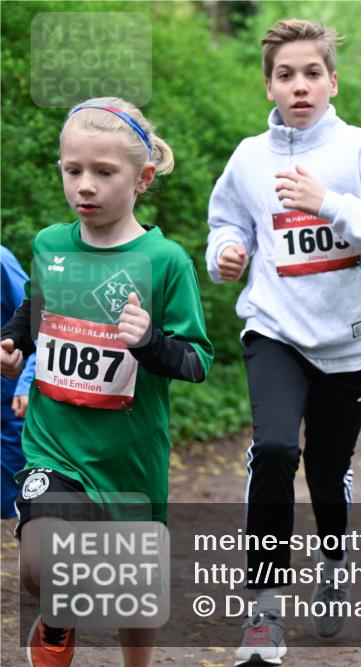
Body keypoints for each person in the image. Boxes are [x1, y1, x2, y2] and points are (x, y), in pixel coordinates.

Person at [204, 18, 361, 665]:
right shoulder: (249, 158)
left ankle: (333, 557)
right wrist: (227, 249)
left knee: (326, 471)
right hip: (274, 328)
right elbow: (226, 218)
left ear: (333, 81)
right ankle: (263, 611)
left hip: (351, 344)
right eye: (284, 75)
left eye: (311, 73)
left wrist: (329, 202)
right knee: (274, 449)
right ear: (268, 85)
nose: (298, 85)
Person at [0, 97, 214, 667]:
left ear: (142, 178)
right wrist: (14, 345)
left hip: (130, 460)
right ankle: (58, 615)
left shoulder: (164, 261)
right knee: (41, 566)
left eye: (103, 172)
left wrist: (149, 343)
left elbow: (196, 361)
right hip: (55, 447)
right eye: (73, 171)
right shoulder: (51, 244)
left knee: (133, 600)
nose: (84, 186)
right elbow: (35, 310)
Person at [1, 246, 35, 519]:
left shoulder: (2, 262)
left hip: (8, 410)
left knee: (10, 505)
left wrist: (26, 383)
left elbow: (39, 326)